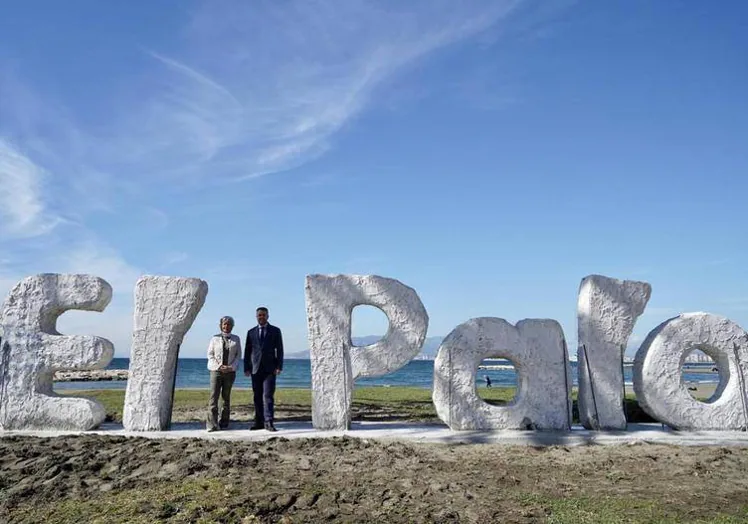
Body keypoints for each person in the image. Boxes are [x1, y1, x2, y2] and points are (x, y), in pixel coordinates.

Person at [244, 306, 284, 432]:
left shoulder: (275, 331)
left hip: (270, 369)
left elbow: (280, 350)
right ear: (256, 317)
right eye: (259, 315)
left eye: (263, 315)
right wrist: (247, 367)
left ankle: (269, 422)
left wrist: (279, 366)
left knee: (268, 396)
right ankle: (259, 422)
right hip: (255, 369)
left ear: (267, 316)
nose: (261, 317)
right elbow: (247, 351)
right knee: (257, 396)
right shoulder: (251, 332)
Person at [206, 316, 241, 432]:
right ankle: (212, 424)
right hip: (216, 371)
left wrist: (231, 367)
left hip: (230, 372)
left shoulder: (236, 339)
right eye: (224, 324)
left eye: (229, 324)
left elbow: (238, 356)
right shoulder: (214, 339)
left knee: (226, 398)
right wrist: (219, 366)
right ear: (221, 325)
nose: (226, 326)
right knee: (213, 397)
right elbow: (210, 355)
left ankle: (224, 422)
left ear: (232, 326)